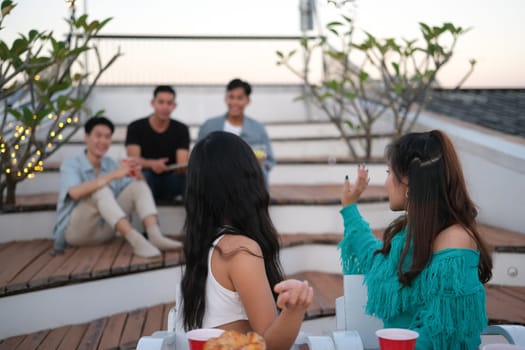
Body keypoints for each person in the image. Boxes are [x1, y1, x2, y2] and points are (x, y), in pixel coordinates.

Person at [339, 130, 493, 350]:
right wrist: (349, 207)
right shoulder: (408, 235)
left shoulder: (455, 242)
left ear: (409, 181)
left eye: (389, 173)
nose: (386, 183)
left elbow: (437, 336)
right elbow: (374, 259)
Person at [180, 131, 312, 350]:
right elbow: (270, 346)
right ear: (246, 181)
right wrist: (295, 309)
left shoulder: (207, 243)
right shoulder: (240, 250)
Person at [52, 116, 182, 257]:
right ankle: (136, 241)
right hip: (76, 233)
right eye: (98, 136)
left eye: (107, 137)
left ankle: (155, 236)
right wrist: (113, 175)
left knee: (137, 186)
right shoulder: (71, 164)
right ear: (86, 137)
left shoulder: (111, 164)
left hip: (105, 232)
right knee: (101, 190)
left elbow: (133, 191)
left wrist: (139, 176)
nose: (103, 141)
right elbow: (74, 193)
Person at [197, 78, 274, 182]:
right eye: (231, 97)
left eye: (239, 98)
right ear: (226, 99)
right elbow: (197, 154)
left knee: (261, 173)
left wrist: (259, 163)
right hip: (215, 174)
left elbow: (268, 159)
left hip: (248, 175)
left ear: (247, 101)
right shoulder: (209, 125)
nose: (234, 102)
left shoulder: (258, 128)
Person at [125, 85, 190, 200]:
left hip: (171, 178)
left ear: (174, 106)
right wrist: (152, 164)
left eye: (169, 103)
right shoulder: (136, 127)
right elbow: (133, 159)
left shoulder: (181, 129)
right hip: (145, 177)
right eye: (161, 102)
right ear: (153, 103)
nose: (165, 107)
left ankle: (194, 216)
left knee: (187, 179)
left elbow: (182, 163)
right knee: (140, 175)